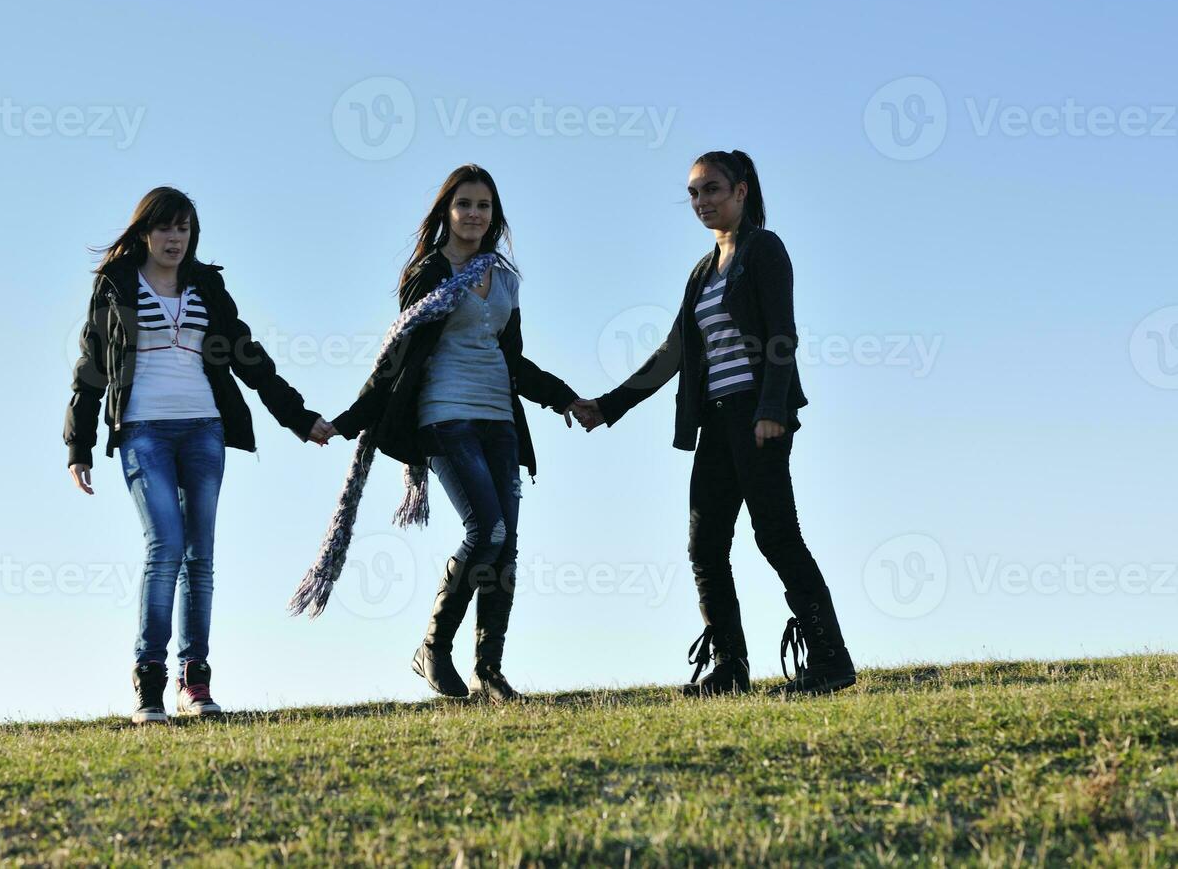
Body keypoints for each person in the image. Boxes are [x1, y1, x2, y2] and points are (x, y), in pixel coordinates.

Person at [572, 151, 856, 697]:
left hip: (758, 417)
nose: (702, 202)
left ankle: (830, 658)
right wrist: (607, 407)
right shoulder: (701, 272)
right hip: (717, 424)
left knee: (776, 537)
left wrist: (773, 410)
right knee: (705, 546)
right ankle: (731, 665)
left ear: (741, 191)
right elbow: (674, 350)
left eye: (713, 190)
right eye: (694, 194)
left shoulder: (764, 250)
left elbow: (782, 335)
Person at [64, 186, 334, 724]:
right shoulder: (115, 285)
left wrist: (300, 419)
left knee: (199, 557)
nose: (174, 238)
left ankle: (196, 678)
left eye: (183, 228)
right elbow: (92, 366)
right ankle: (149, 683)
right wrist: (80, 444)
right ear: (145, 231)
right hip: (142, 431)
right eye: (165, 227)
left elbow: (245, 355)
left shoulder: (207, 286)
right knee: (165, 543)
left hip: (205, 430)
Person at [328, 165, 578, 702]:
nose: (474, 214)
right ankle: (434, 649)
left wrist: (565, 397)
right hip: (444, 416)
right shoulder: (428, 274)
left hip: (500, 420)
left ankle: (488, 669)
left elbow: (514, 361)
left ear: (495, 215)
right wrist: (349, 420)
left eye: (484, 205)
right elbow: (398, 353)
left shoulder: (505, 279)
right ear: (446, 211)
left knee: (506, 546)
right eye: (464, 204)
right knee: (485, 531)